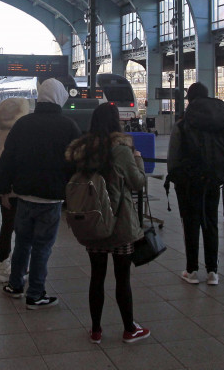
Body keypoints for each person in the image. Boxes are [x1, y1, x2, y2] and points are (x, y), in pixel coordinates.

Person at [65, 103, 150, 344]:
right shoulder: (121, 150)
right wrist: (138, 159)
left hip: (94, 220)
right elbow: (137, 183)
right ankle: (128, 329)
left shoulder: (84, 150)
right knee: (122, 279)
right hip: (120, 225)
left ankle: (95, 330)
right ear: (116, 122)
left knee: (96, 277)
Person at [0, 78, 81, 309]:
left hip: (23, 197)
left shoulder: (23, 124)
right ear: (60, 97)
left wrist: (3, 190)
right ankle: (35, 294)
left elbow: (7, 159)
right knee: (42, 246)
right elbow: (76, 164)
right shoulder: (69, 126)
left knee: (22, 242)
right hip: (51, 198)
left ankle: (15, 285)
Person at [166, 82, 224, 285]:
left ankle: (192, 270)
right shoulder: (223, 122)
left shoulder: (183, 124)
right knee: (210, 222)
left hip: (188, 181)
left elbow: (173, 157)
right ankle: (213, 272)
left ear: (189, 100)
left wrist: (175, 178)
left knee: (191, 223)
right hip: (214, 179)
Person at [0, 97, 30, 283]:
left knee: (7, 227)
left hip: (2, 190)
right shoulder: (16, 136)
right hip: (12, 191)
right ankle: (12, 267)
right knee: (19, 229)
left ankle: (6, 266)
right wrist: (7, 193)